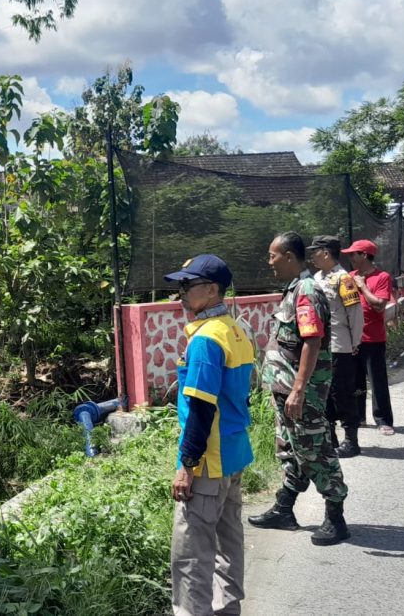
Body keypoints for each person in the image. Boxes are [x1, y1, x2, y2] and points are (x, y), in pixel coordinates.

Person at [165, 254, 255, 616]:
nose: (182, 293)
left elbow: (202, 409)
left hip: (207, 463)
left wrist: (186, 465)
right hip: (233, 456)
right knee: (228, 547)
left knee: (191, 558)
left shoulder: (205, 340)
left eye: (189, 286)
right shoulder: (235, 330)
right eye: (181, 286)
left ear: (213, 289)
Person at [248, 232, 350, 546]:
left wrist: (299, 389)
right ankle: (284, 508)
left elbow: (312, 340)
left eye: (273, 256)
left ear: (290, 257)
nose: (270, 262)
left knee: (314, 450)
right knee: (291, 450)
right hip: (287, 388)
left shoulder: (306, 290)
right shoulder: (294, 289)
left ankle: (336, 517)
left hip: (300, 391)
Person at [307, 235, 364, 457]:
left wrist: (354, 343)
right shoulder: (316, 278)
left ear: (326, 253)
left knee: (343, 393)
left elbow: (355, 314)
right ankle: (330, 439)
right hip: (319, 346)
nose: (312, 256)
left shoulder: (344, 279)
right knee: (324, 393)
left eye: (315, 251)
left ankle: (351, 441)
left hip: (340, 345)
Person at [344, 239, 395, 436]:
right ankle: (359, 417)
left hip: (373, 339)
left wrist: (363, 287)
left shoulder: (382, 277)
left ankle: (383, 420)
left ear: (364, 255)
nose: (350, 258)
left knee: (377, 381)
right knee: (355, 381)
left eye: (353, 254)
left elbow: (379, 306)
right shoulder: (350, 276)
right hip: (354, 339)